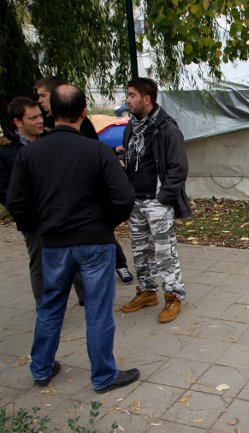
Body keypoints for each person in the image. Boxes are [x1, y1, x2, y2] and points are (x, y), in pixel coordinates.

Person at [6, 84, 140, 392]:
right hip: (94, 242)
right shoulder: (97, 151)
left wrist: (40, 226)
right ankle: (103, 376)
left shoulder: (31, 154)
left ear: (50, 111)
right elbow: (124, 198)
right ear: (83, 112)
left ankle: (40, 368)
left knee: (51, 306)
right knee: (97, 309)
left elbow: (16, 202)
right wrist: (104, 224)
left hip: (53, 242)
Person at [35, 76, 135, 286]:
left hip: (88, 224)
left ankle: (120, 265)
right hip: (60, 229)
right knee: (80, 301)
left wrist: (105, 223)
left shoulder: (86, 134)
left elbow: (96, 156)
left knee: (54, 304)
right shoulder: (36, 146)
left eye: (42, 96)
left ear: (53, 101)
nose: (39, 101)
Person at [120, 77, 191, 323]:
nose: (127, 100)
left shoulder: (167, 128)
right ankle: (147, 291)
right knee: (140, 252)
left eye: (131, 95)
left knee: (164, 253)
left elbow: (179, 168)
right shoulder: (132, 127)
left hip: (157, 203)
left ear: (146, 99)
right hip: (135, 202)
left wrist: (163, 198)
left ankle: (173, 297)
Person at [1, 97, 46, 306]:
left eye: (40, 115)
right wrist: (24, 214)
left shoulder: (50, 142)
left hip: (59, 213)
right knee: (39, 264)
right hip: (32, 220)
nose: (40, 121)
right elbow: (5, 191)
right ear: (18, 122)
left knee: (71, 258)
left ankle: (85, 299)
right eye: (33, 117)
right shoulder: (6, 151)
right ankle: (44, 307)